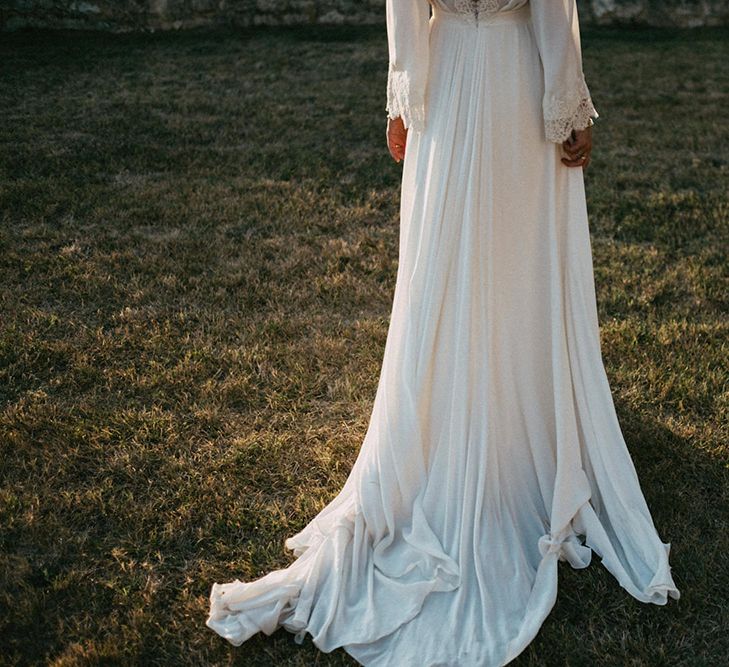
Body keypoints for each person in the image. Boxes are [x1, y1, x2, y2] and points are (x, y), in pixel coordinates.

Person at [206, 1, 680, 664]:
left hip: (450, 72)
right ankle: (519, 421)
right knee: (514, 255)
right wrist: (566, 102)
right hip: (515, 73)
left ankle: (458, 412)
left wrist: (406, 92)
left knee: (448, 259)